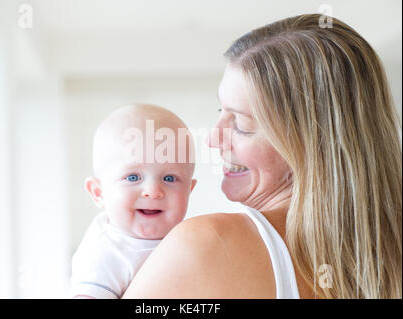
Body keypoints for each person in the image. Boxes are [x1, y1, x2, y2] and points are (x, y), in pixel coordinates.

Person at [122, 14, 402, 298]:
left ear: (310, 145)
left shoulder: (208, 245)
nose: (212, 138)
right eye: (222, 112)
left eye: (241, 125)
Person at [70, 104, 197, 298]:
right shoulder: (106, 253)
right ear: (99, 193)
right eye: (133, 177)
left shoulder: (192, 239)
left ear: (189, 190)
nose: (153, 192)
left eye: (169, 178)